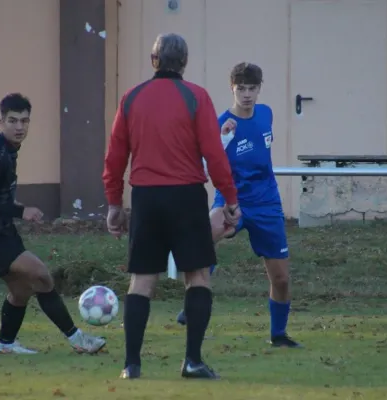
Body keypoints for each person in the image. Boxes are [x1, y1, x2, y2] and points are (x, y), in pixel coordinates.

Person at [102, 33, 241, 380]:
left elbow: (116, 156)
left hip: (146, 198)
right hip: (186, 196)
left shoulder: (131, 98)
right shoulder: (196, 96)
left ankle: (131, 365)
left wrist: (114, 204)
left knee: (142, 280)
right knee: (197, 276)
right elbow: (214, 153)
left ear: (154, 61)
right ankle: (192, 361)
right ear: (184, 63)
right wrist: (230, 199)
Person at [0, 93, 106, 355]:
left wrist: (18, 209)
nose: (19, 127)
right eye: (13, 121)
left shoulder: (3, 147)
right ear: (1, 121)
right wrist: (21, 211)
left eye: (25, 121)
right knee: (40, 274)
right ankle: (78, 339)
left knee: (20, 290)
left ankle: (6, 345)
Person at [175, 63, 302, 349]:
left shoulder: (266, 114)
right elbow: (204, 166)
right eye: (241, 88)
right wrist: (223, 140)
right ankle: (193, 299)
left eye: (251, 88)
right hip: (231, 199)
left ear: (259, 88)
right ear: (232, 88)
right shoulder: (220, 123)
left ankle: (278, 335)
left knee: (281, 278)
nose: (246, 94)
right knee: (204, 236)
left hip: (267, 204)